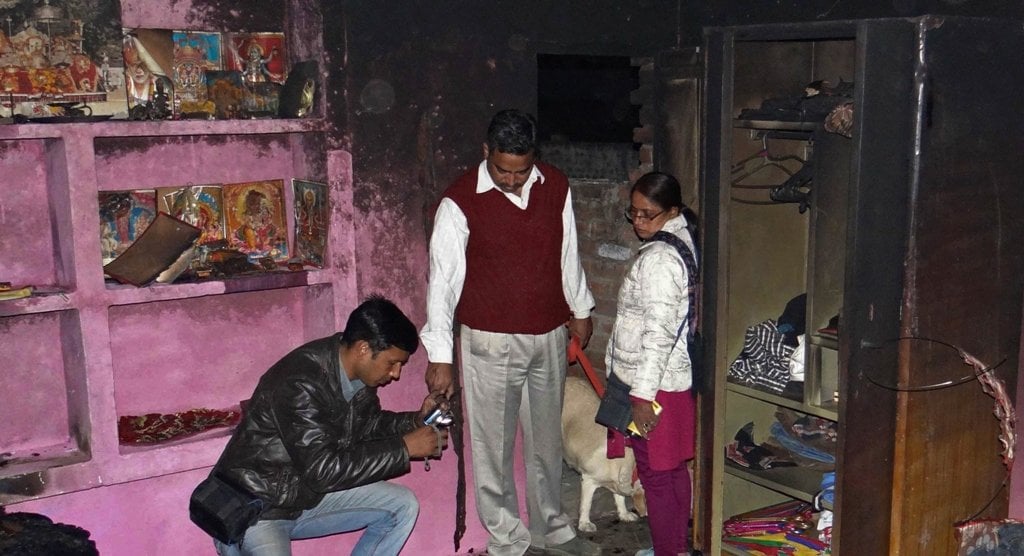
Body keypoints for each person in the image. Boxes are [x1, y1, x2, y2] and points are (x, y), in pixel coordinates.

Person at [421, 109, 599, 556]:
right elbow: (443, 282)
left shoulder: (555, 185)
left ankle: (551, 529)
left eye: (522, 171)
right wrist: (440, 355)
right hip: (488, 339)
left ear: (534, 158)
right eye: (503, 170)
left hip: (548, 334)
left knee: (547, 440)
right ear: (486, 153)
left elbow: (568, 249)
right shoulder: (459, 200)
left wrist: (580, 307)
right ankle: (506, 539)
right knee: (492, 448)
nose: (513, 181)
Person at [204, 295, 449, 556]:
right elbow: (323, 469)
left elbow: (369, 426)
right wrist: (404, 448)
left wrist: (416, 421)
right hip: (257, 508)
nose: (396, 373)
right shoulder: (300, 381)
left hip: (305, 497)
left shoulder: (357, 377)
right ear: (364, 349)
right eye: (392, 363)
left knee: (401, 505)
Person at [606, 172, 698, 556]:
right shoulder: (681, 241)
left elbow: (658, 334)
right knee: (672, 470)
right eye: (634, 213)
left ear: (673, 211)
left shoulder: (660, 259)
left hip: (651, 385)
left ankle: (667, 550)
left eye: (649, 214)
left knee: (657, 477)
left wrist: (641, 396)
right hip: (670, 381)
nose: (640, 222)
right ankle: (676, 547)